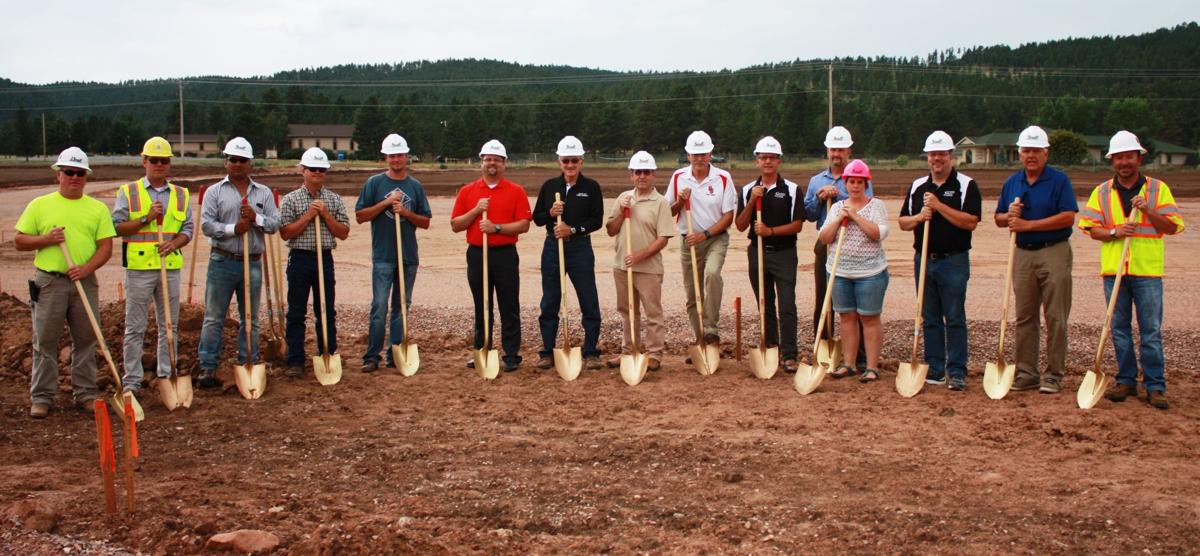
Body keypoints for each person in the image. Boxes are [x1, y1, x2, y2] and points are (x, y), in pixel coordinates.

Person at [1079, 131, 1185, 409]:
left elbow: (1172, 226)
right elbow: (1091, 229)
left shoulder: (1157, 189)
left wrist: (1149, 211)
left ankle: (1155, 386)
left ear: (1139, 158)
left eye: (1129, 157)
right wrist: (1115, 231)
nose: (1124, 162)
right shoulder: (1101, 192)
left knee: (1150, 331)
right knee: (1119, 329)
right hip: (1114, 271)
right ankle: (1125, 380)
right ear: (1112, 160)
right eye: (1119, 158)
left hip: (1147, 271)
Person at [15, 147, 115, 418]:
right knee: (45, 341)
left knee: (86, 339)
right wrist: (45, 240)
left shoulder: (97, 209)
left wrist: (86, 268)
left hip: (84, 281)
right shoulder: (40, 205)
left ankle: (85, 394)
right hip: (49, 282)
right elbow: (20, 241)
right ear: (59, 174)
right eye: (69, 172)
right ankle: (42, 397)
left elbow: (106, 247)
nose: (74, 177)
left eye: (80, 173)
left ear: (86, 177)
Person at [994, 125, 1078, 394]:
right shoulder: (1012, 183)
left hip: (1054, 250)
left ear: (1046, 153)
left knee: (1055, 316)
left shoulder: (1058, 180)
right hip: (1022, 254)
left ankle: (1053, 374)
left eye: (1036, 151)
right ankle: (1027, 373)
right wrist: (1010, 216)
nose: (1031, 155)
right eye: (1026, 150)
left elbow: (1068, 216)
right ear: (1019, 153)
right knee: (1024, 316)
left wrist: (1029, 225)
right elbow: (998, 219)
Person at [897, 131, 981, 391]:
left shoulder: (966, 185)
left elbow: (971, 222)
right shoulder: (917, 186)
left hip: (953, 261)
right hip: (923, 258)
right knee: (929, 316)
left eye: (942, 154)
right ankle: (934, 368)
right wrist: (920, 217)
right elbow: (903, 222)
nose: (937, 159)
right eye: (932, 154)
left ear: (951, 156)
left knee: (954, 316)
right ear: (928, 157)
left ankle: (956, 370)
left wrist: (939, 206)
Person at [111, 137, 193, 403]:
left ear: (169, 164)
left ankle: (166, 374)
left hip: (168, 267)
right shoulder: (130, 191)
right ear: (144, 161)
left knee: (169, 324)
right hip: (139, 269)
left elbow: (188, 230)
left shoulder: (181, 194)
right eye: (154, 160)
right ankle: (132, 381)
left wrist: (173, 244)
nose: (159, 165)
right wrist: (146, 218)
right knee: (135, 327)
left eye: (164, 161)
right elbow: (116, 227)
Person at [197, 137, 281, 388]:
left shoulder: (263, 193)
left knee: (251, 318)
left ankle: (249, 361)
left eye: (242, 160)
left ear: (250, 163)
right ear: (226, 161)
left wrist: (256, 219)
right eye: (232, 159)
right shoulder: (215, 192)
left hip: (252, 263)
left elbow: (275, 224)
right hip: (222, 261)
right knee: (214, 317)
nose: (237, 164)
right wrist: (235, 228)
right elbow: (207, 225)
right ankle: (207, 367)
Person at [450, 140, 531, 371]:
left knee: (509, 305)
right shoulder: (468, 191)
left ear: (504, 163)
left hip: (505, 254)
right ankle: (483, 349)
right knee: (482, 305)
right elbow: (456, 225)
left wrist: (496, 228)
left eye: (496, 159)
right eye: (487, 159)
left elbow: (524, 225)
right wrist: (476, 210)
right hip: (477, 254)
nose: (491, 163)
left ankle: (512, 354)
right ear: (481, 162)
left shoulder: (516, 191)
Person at [354, 134, 431, 372]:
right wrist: (386, 204)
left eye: (400, 155)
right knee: (379, 306)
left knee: (401, 307)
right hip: (383, 256)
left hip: (407, 257)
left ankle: (394, 353)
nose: (396, 159)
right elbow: (360, 216)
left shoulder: (415, 186)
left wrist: (406, 213)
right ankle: (372, 356)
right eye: (392, 155)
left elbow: (426, 221)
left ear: (406, 157)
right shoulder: (374, 184)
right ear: (385, 158)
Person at [532, 136, 604, 371]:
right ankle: (547, 352)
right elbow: (537, 218)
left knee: (589, 300)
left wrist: (572, 229)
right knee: (550, 300)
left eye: (574, 160)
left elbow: (596, 221)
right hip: (553, 248)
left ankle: (591, 352)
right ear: (559, 162)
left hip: (580, 248)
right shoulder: (549, 187)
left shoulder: (591, 187)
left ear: (581, 161)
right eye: (566, 161)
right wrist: (551, 213)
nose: (570, 165)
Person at [803, 126, 872, 373]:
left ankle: (859, 355)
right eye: (833, 149)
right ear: (827, 150)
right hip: (826, 241)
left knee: (854, 301)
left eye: (841, 149)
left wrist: (840, 194)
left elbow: (867, 206)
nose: (836, 154)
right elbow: (808, 214)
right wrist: (820, 197)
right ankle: (823, 346)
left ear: (848, 151)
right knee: (824, 297)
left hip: (853, 243)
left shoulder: (859, 176)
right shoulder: (815, 181)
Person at [734, 136, 805, 373]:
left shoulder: (792, 190)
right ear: (757, 161)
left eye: (772, 158)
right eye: (763, 157)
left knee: (787, 304)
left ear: (779, 161)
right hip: (757, 253)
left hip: (784, 253)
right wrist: (754, 200)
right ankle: (771, 347)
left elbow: (797, 225)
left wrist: (770, 231)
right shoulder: (746, 190)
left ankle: (789, 354)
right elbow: (741, 225)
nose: (767, 162)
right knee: (764, 303)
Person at [279, 148, 351, 377]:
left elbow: (343, 232)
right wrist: (309, 216)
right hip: (300, 258)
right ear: (303, 170)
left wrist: (326, 215)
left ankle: (327, 352)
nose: (317, 173)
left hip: (324, 258)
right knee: (297, 312)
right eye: (313, 169)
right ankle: (296, 361)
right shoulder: (291, 199)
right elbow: (285, 233)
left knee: (326, 311)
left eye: (322, 170)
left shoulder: (334, 199)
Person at [664, 130, 736, 352]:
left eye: (703, 153)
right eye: (695, 154)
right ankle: (701, 342)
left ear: (711, 153)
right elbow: (668, 212)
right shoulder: (678, 177)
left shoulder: (723, 178)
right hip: (689, 241)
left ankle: (711, 329)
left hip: (715, 238)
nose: (699, 158)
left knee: (712, 274)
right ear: (688, 155)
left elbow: (728, 216)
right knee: (691, 293)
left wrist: (705, 234)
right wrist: (679, 201)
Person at [817, 159, 889, 383]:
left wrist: (856, 217)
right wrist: (840, 218)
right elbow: (824, 238)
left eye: (860, 182)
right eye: (851, 182)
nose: (855, 186)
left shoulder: (876, 206)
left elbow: (877, 233)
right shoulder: (838, 207)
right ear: (845, 184)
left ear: (866, 183)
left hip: (870, 273)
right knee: (846, 317)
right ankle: (848, 364)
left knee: (869, 318)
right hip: (839, 272)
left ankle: (871, 367)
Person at [605, 151, 675, 371]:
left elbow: (663, 238)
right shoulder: (623, 198)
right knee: (627, 311)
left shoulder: (661, 202)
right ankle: (629, 351)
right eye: (638, 172)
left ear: (653, 174)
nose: (642, 176)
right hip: (621, 266)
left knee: (652, 312)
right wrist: (623, 211)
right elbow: (611, 230)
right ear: (631, 175)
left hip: (648, 269)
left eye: (646, 172)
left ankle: (654, 354)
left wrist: (640, 255)